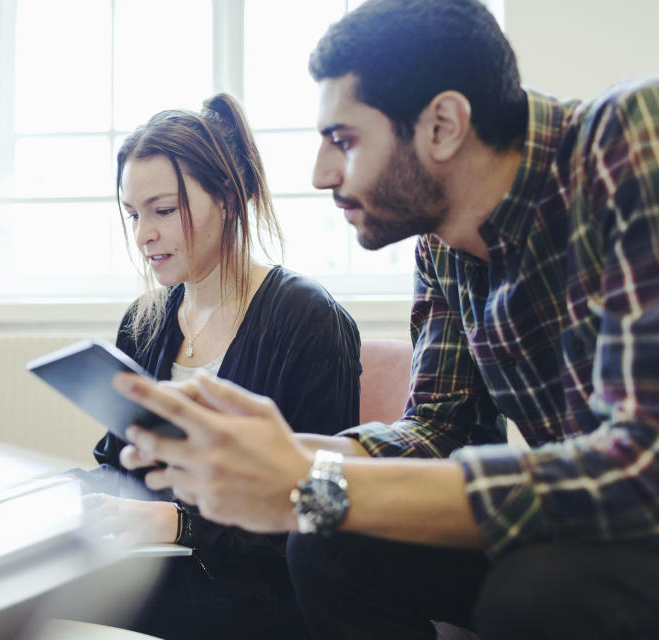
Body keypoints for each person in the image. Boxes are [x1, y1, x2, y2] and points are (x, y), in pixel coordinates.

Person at [110, 1, 659, 638]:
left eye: (343, 140)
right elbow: (439, 430)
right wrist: (289, 455)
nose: (321, 174)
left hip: (634, 522)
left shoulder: (628, 140)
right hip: (578, 524)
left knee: (537, 591)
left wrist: (312, 480)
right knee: (326, 543)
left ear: (444, 125)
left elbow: (641, 466)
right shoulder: (443, 244)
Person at [68, 93, 361, 639]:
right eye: (133, 215)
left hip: (261, 588)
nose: (143, 234)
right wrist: (60, 495)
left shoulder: (308, 320)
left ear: (226, 198)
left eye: (162, 210)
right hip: (158, 565)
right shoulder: (145, 322)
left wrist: (179, 525)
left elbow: (323, 511)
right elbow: (121, 467)